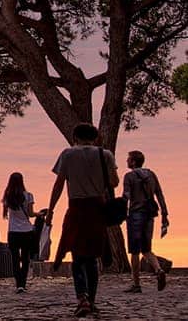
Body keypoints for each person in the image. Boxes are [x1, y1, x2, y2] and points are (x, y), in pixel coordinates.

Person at [47, 123, 119, 318]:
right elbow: (114, 182)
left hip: (77, 209)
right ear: (95, 137)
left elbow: (59, 184)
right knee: (93, 256)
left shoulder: (67, 154)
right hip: (98, 209)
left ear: (75, 137)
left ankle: (82, 298)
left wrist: (51, 209)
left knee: (78, 256)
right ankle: (92, 300)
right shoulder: (105, 155)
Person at [122, 150, 169, 293]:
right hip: (150, 214)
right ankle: (159, 270)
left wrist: (121, 213)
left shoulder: (129, 176)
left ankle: (136, 285)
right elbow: (159, 193)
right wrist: (164, 214)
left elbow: (126, 196)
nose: (127, 161)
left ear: (134, 162)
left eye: (128, 159)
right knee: (147, 249)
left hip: (136, 214)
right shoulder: (151, 174)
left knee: (134, 251)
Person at [3, 172, 36, 293]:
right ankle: (23, 283)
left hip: (13, 232)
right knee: (25, 258)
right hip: (26, 231)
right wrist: (40, 214)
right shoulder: (29, 196)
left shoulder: (8, 197)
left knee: (15, 259)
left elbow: (5, 213)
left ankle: (18, 285)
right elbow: (31, 214)